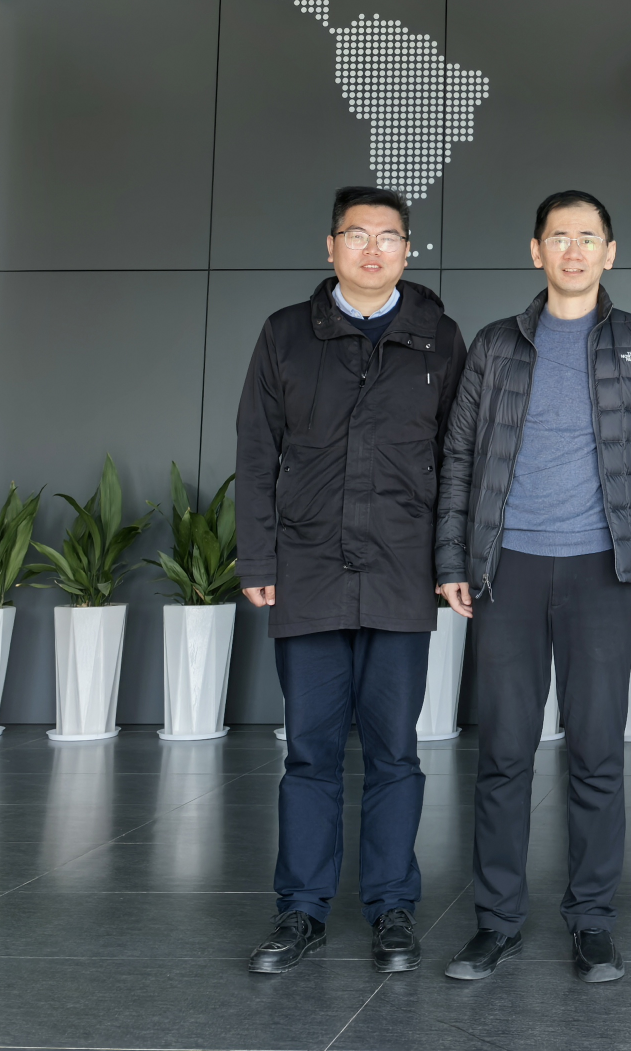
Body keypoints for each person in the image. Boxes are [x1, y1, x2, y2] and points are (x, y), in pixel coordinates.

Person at [435, 190, 631, 985]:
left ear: (611, 251)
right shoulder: (495, 344)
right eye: (559, 237)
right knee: (504, 752)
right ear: (536, 251)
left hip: (602, 570)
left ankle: (593, 922)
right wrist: (452, 559)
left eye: (588, 237)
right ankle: (496, 922)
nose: (574, 250)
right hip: (506, 567)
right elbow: (459, 456)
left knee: (597, 751)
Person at [237, 185, 467, 974]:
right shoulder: (286, 334)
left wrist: (450, 562)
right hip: (307, 568)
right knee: (310, 751)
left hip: (403, 570)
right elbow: (257, 451)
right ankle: (299, 910)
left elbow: (458, 460)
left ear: (408, 250)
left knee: (395, 751)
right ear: (330, 246)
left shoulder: (439, 338)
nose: (373, 250)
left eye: (388, 237)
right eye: (357, 235)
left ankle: (392, 907)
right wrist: (258, 557)